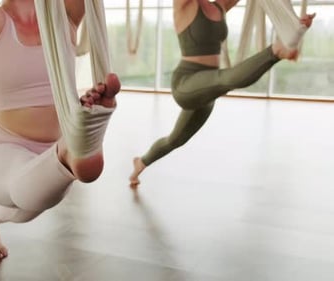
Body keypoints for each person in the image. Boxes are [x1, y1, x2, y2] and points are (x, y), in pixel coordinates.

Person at [0, 0, 121, 259]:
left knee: (23, 210)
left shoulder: (64, 14)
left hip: (45, 158)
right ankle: (73, 147)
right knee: (24, 192)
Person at [129, 0, 315, 187]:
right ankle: (276, 51)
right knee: (225, 79)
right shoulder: (184, 5)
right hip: (187, 83)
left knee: (175, 139)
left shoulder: (219, 6)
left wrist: (290, 23)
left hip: (208, 90)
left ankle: (141, 163)